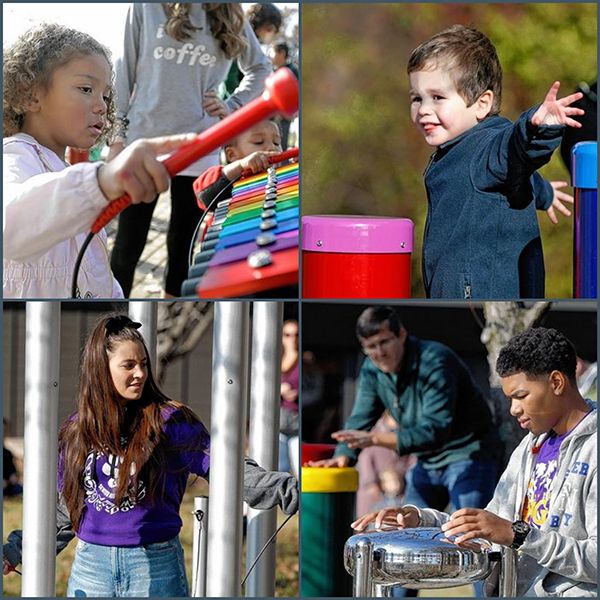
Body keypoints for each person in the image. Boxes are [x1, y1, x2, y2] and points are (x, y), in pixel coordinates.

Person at [2, 314, 298, 596]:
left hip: (155, 565)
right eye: (128, 365)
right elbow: (65, 509)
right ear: (100, 369)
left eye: (143, 364)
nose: (140, 373)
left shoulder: (170, 421)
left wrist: (292, 491)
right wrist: (16, 549)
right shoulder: (76, 430)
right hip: (91, 566)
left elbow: (228, 467)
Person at [352, 327, 597, 597]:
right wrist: (420, 522)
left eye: (521, 396)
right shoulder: (529, 447)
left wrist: (517, 535)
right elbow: (491, 532)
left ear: (556, 382)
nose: (513, 409)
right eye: (510, 399)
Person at [3, 23, 196, 299]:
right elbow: (9, 226)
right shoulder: (14, 156)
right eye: (85, 89)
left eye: (106, 95)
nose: (102, 106)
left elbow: (96, 273)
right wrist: (103, 181)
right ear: (30, 93)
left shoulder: (66, 171)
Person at [407, 25, 584, 299]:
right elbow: (513, 173)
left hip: (480, 303)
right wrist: (543, 192)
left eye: (438, 98)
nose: (424, 110)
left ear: (481, 104)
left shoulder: (485, 148)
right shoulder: (460, 152)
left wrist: (539, 127)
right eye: (417, 98)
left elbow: (514, 150)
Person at [108, 3, 272, 297]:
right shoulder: (146, 6)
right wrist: (117, 137)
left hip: (200, 143)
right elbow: (123, 68)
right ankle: (114, 315)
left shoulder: (229, 11)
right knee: (127, 246)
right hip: (144, 141)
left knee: (182, 246)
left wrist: (232, 107)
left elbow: (261, 66)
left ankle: (167, 320)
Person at [308, 306, 502, 514]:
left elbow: (435, 431)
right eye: (370, 347)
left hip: (469, 453)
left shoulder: (435, 360)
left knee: (468, 533)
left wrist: (374, 439)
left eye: (384, 342)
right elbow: (360, 417)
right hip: (427, 460)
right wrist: (343, 455)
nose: (379, 353)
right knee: (410, 533)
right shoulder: (372, 369)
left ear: (401, 335)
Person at [194, 118, 283, 210]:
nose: (272, 147)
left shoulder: (283, 175)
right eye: (258, 142)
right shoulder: (229, 175)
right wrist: (241, 165)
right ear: (232, 154)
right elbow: (205, 197)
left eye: (276, 143)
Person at [223, 3, 283, 97]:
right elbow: (230, 79)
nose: (270, 34)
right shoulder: (240, 40)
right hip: (230, 103)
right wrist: (237, 103)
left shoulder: (256, 48)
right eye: (269, 29)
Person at [279, 319, 299, 476]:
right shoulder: (273, 360)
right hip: (278, 422)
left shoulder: (305, 361)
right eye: (287, 334)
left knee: (299, 469)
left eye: (296, 334)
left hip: (297, 422)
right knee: (281, 469)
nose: (292, 338)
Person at [269, 42, 299, 149]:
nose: (269, 56)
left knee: (281, 145)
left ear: (281, 53)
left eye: (271, 52)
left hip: (284, 116)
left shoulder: (292, 71)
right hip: (270, 116)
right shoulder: (272, 71)